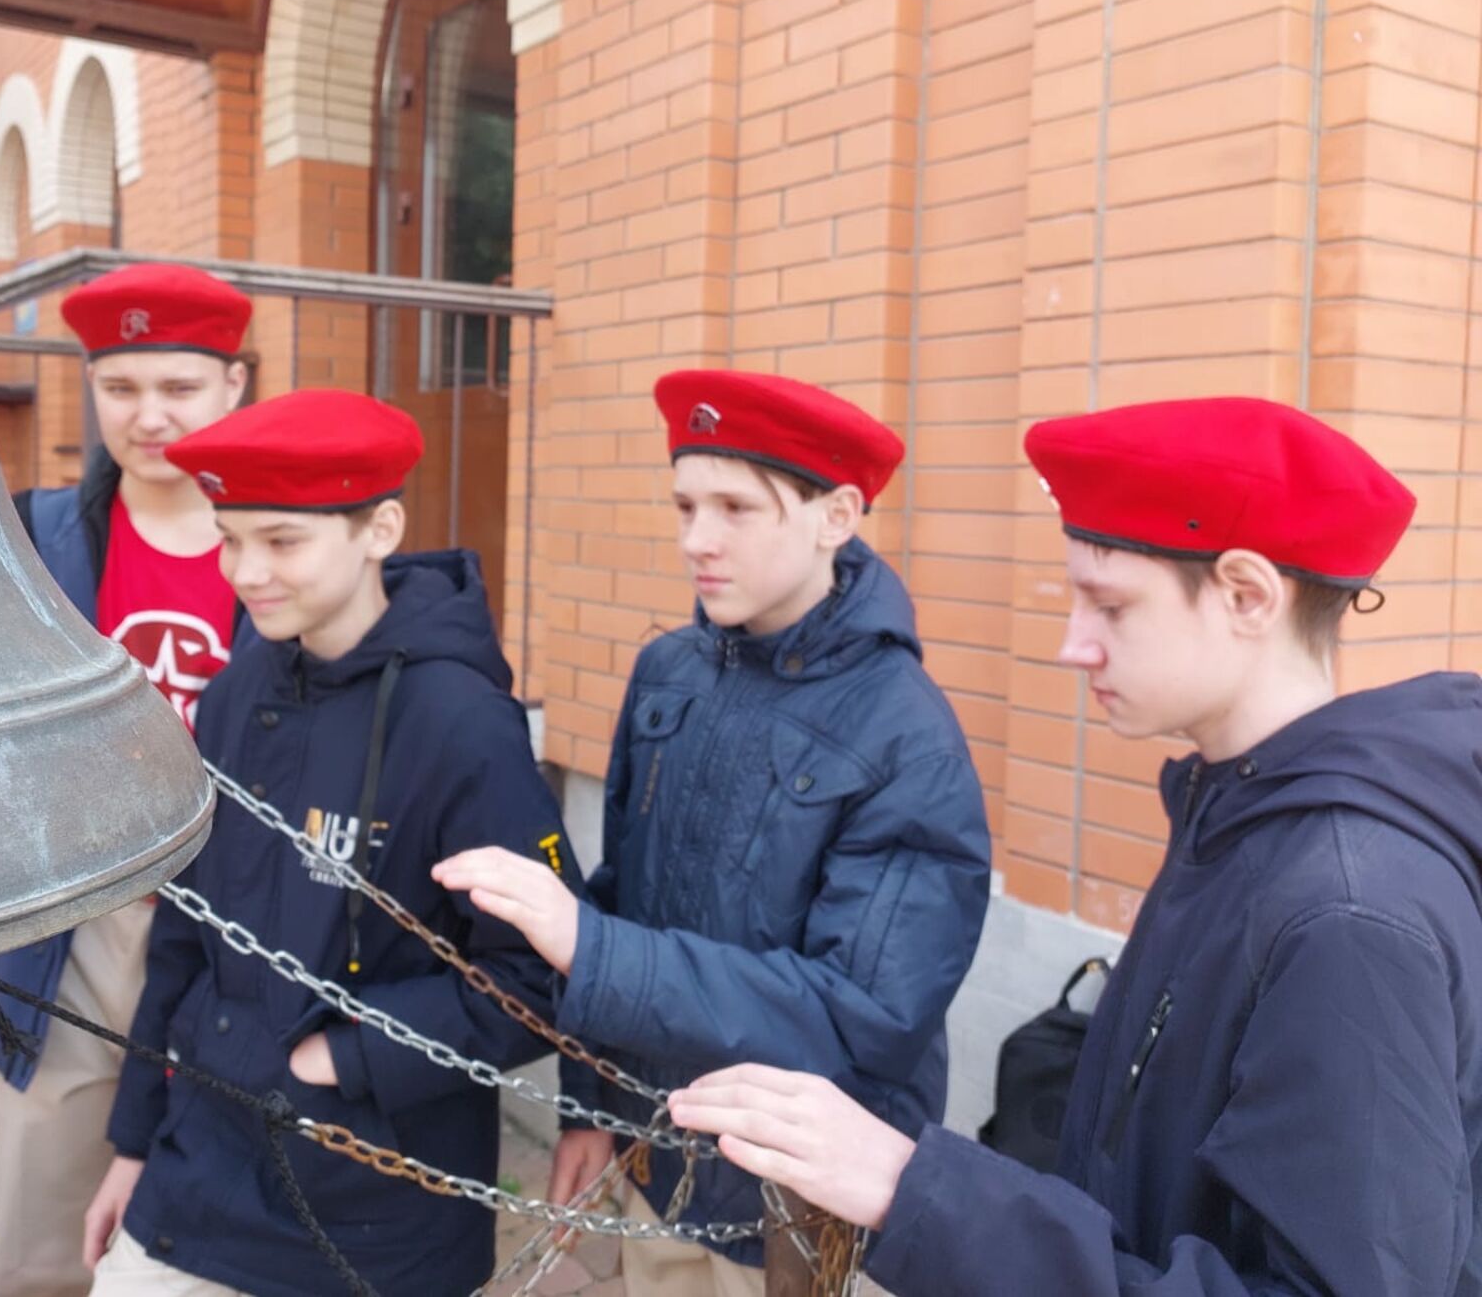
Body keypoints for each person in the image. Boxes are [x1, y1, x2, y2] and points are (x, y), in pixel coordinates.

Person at [668, 395, 1482, 1296]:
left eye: (1110, 605)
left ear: (1248, 595)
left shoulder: (1347, 912)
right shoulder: (1235, 809)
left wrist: (924, 1195)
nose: (1072, 646)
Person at [435, 369, 992, 1296]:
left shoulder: (907, 735)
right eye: (686, 506)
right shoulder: (670, 672)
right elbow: (624, 897)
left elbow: (864, 1021)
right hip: (655, 1163)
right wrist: (589, 1109)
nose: (698, 539)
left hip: (795, 1210)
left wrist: (593, 951)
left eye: (737, 508)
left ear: (837, 516)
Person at [81, 388, 581, 1297]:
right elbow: (186, 935)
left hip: (375, 1209)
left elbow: (536, 979)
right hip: (199, 1174)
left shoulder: (462, 725)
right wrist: (132, 1145)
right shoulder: (235, 696)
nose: (246, 571)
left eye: (282, 541)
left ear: (379, 529)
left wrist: (351, 1055)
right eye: (230, 539)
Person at [0, 263, 251, 1297]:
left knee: (223, 1237)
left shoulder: (280, 546)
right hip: (78, 928)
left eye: (179, 386)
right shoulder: (39, 541)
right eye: (122, 387)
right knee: (47, 1227)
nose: (150, 415)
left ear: (234, 385)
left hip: (234, 928)